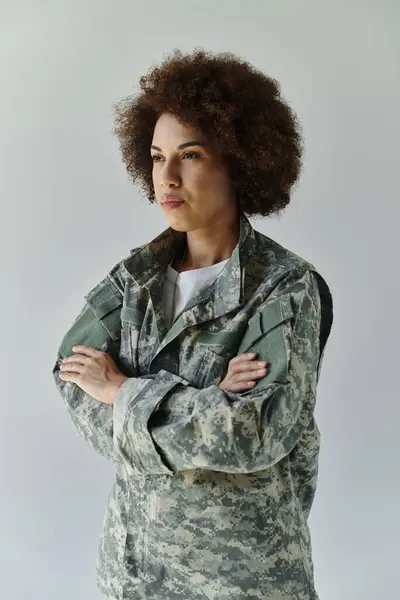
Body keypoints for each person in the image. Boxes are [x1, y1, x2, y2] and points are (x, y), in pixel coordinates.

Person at [52, 49, 333, 600]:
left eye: (191, 154)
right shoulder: (134, 279)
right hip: (133, 571)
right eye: (156, 158)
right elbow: (69, 379)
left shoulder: (285, 288)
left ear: (239, 160)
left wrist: (122, 392)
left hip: (243, 578)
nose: (168, 177)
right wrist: (206, 403)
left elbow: (255, 433)